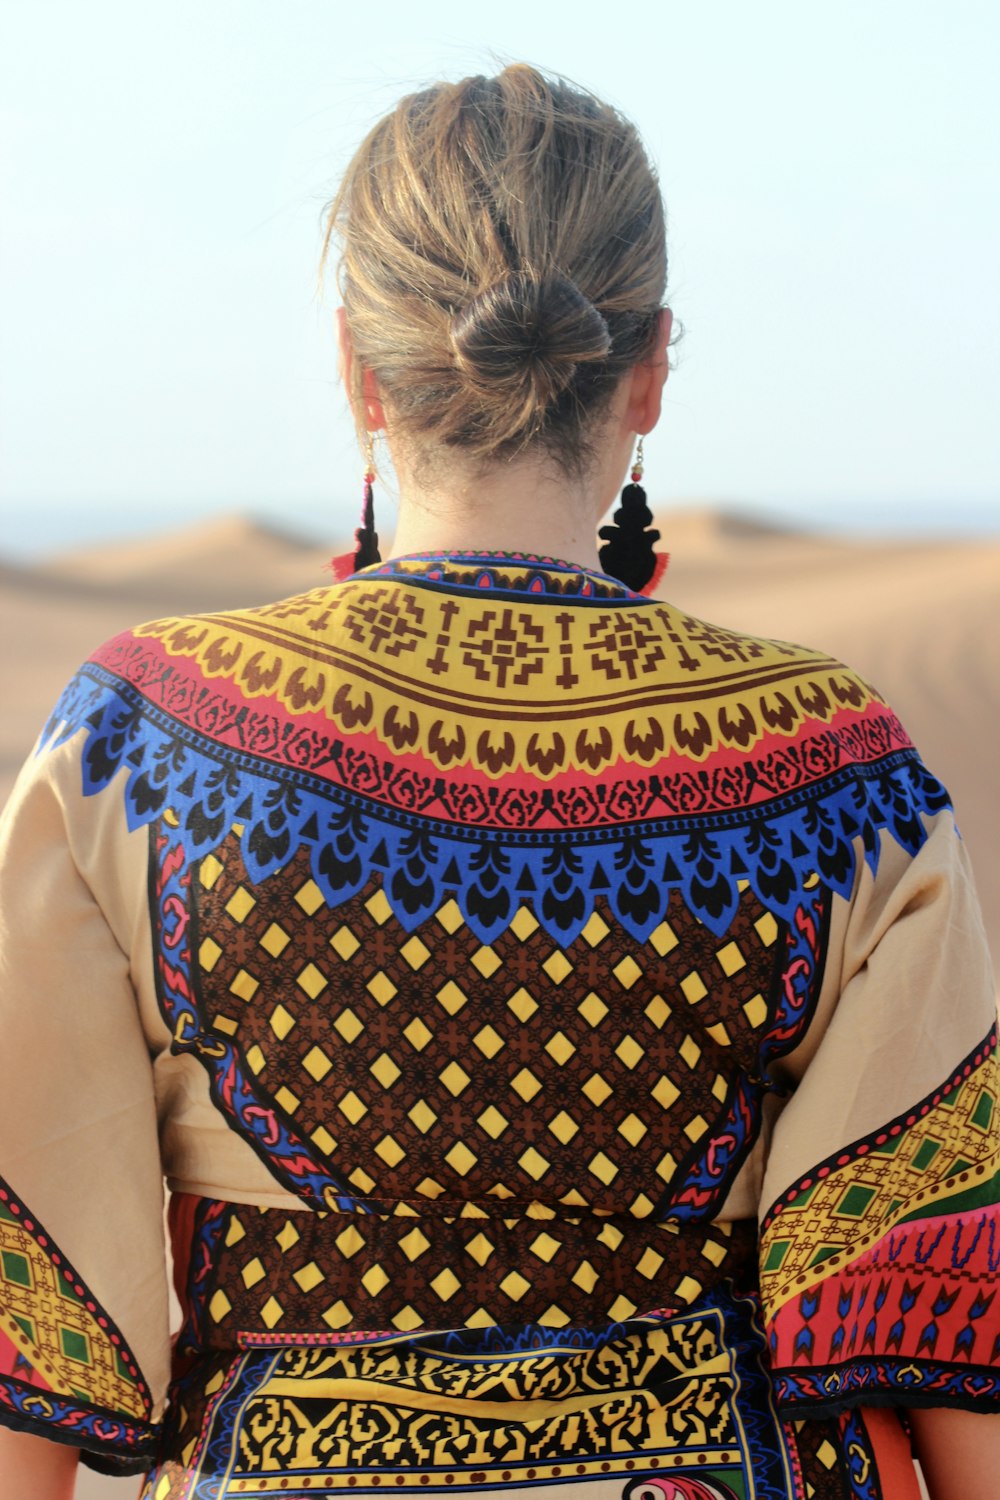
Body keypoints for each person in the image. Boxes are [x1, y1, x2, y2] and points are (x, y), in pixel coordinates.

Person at [0, 64, 998, 1500]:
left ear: (358, 371)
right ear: (649, 369)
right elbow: (937, 1316)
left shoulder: (139, 744)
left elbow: (34, 1313)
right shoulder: (841, 775)